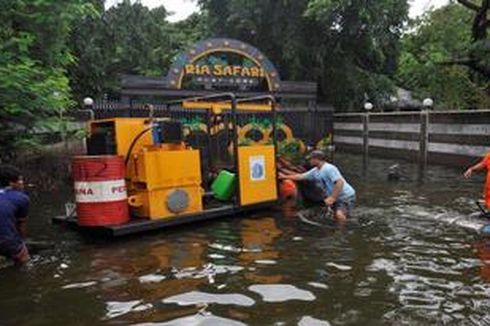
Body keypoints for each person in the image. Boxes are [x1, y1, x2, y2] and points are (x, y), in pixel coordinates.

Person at [279, 150, 356, 221]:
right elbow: (300, 176)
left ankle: (341, 232)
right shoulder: (315, 171)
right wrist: (284, 177)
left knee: (339, 215)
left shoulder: (329, 168)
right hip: (336, 197)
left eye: (311, 159)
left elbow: (340, 182)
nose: (309, 161)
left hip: (346, 196)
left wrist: (332, 197)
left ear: (316, 159)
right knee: (334, 215)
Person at [0, 165, 30, 264]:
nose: (22, 183)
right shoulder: (21, 198)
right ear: (11, 183)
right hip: (6, 242)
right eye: (20, 180)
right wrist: (22, 244)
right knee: (24, 258)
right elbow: (21, 225)